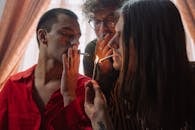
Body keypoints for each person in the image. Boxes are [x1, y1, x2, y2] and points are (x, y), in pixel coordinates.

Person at [84, 0, 195, 129]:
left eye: (121, 35)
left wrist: (101, 123)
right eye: (97, 22)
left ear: (149, 40)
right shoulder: (132, 92)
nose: (111, 43)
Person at [0, 8, 92, 130]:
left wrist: (69, 97)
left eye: (77, 37)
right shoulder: (14, 85)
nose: (75, 43)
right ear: (43, 36)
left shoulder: (87, 89)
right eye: (67, 34)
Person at [82, 0, 125, 101]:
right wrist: (104, 73)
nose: (102, 29)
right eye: (97, 22)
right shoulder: (91, 49)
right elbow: (92, 98)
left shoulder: (132, 46)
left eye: (110, 20)